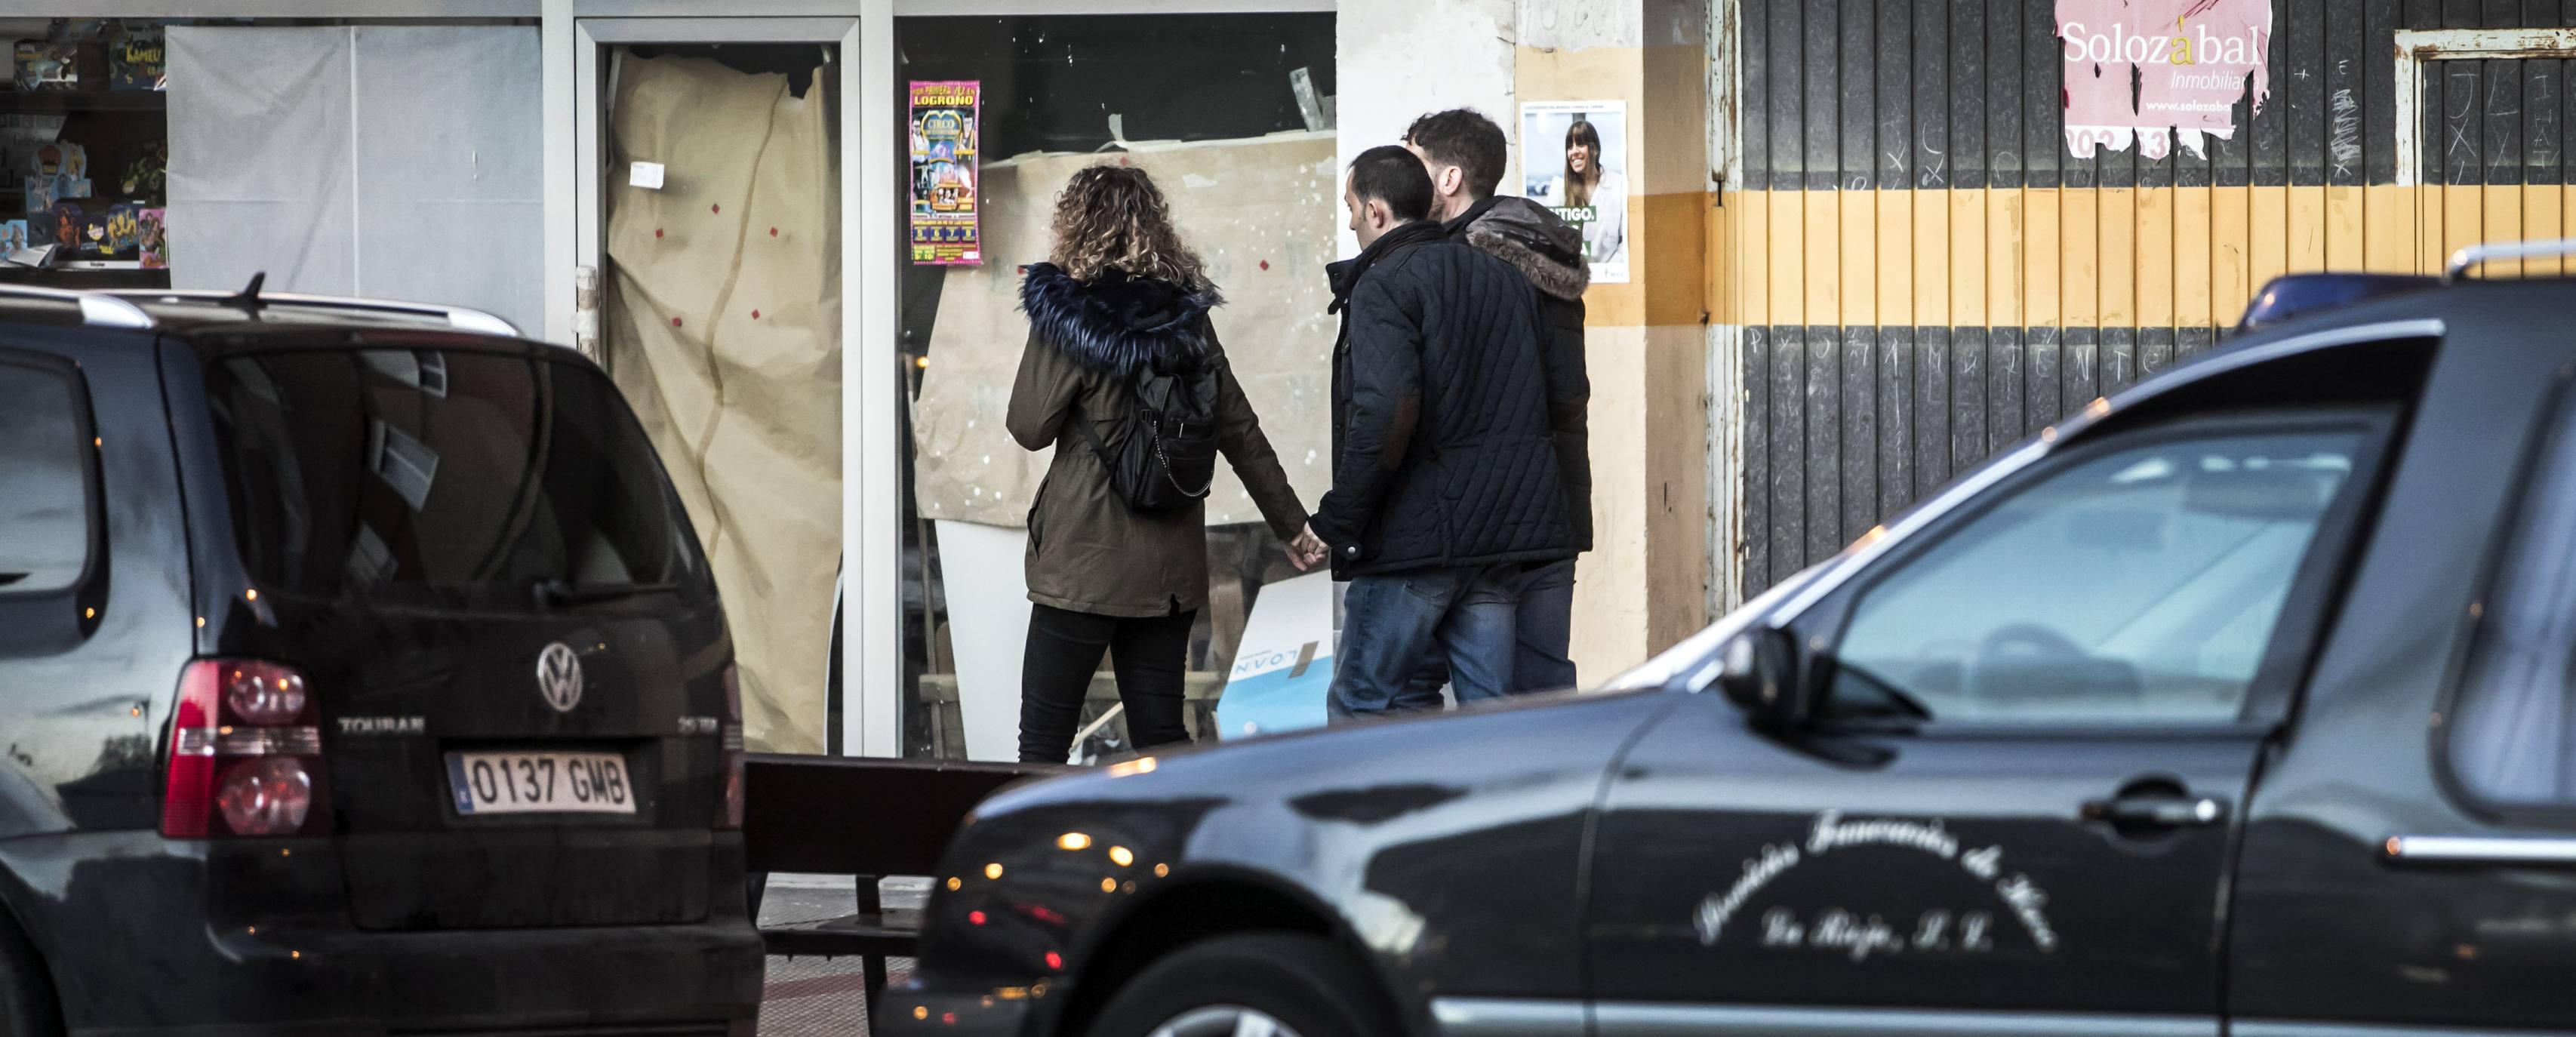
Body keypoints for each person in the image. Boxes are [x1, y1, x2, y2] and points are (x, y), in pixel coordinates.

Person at [1008, 164, 1325, 764]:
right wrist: (1291, 525)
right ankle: (1172, 856)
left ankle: (1038, 859)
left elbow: (1029, 427)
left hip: (1083, 562)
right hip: (1168, 571)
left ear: (1075, 226)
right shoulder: (1188, 322)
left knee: (1042, 744)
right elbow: (1240, 429)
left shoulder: (1067, 318)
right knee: (1160, 737)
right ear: (1155, 227)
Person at [1308, 145, 1575, 719]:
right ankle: (1507, 810)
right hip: (1499, 541)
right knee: (1492, 716)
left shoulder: (1383, 283)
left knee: (1365, 702)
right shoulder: (1502, 276)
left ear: (1377, 212)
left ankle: (1377, 813)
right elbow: (1551, 396)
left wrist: (1339, 520)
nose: (1351, 220)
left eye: (1352, 207)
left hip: (1419, 542)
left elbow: (1387, 412)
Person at [1405, 107, 1592, 694]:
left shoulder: (1462, 265)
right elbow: (1567, 392)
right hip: (1554, 499)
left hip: (1485, 512)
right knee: (1540, 686)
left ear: (1449, 179)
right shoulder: (1540, 248)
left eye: (1412, 165)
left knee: (1431, 687)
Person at [1539, 118, 1629, 269]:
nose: (1574, 151)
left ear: (1595, 149)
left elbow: (1625, 242)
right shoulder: (1559, 189)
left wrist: (1605, 273)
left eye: (1580, 144)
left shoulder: (1618, 185)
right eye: (1569, 146)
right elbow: (1550, 239)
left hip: (1608, 278)